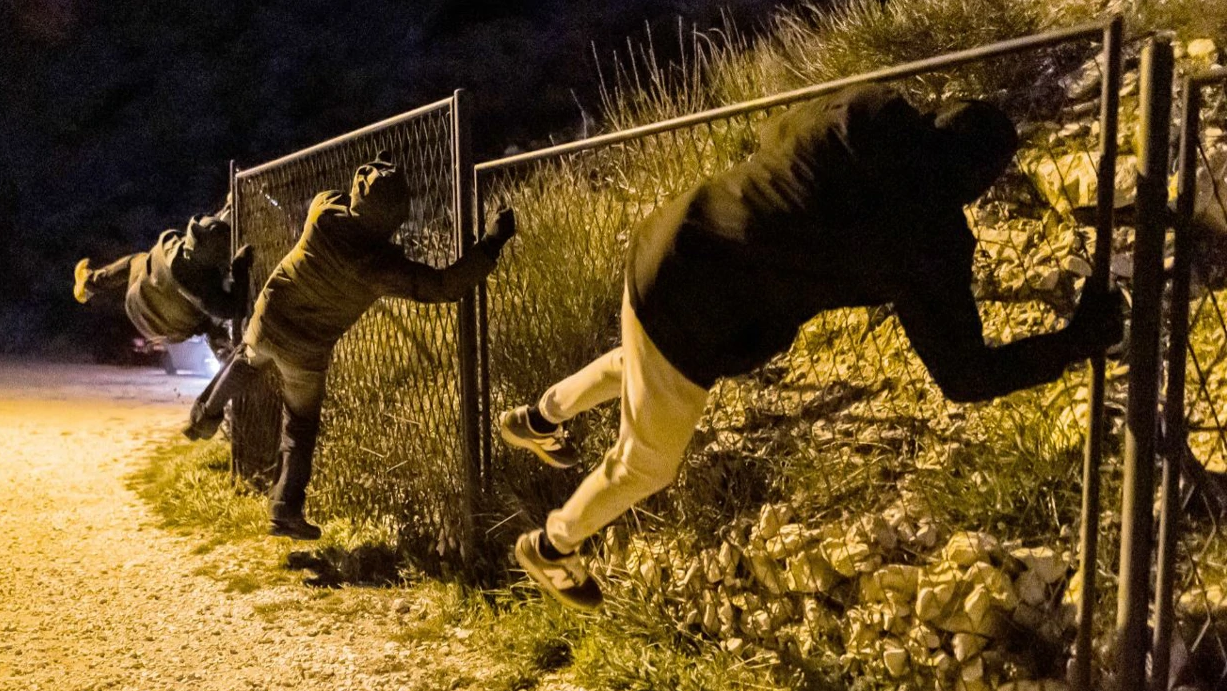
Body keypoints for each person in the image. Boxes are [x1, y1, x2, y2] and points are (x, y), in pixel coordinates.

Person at [499, 83, 1124, 611]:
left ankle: (539, 417)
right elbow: (965, 377)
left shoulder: (867, 111)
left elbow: (778, 132)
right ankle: (555, 546)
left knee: (642, 365)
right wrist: (1074, 340)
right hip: (699, 310)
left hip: (670, 235)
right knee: (648, 463)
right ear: (979, 180)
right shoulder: (930, 239)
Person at [184, 157, 516, 541]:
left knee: (247, 357)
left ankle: (203, 416)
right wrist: (492, 242)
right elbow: (445, 286)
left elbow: (341, 197)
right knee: (299, 426)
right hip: (305, 351)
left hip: (270, 317)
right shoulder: (381, 266)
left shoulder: (323, 212)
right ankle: (284, 509)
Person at [72, 205, 249, 361]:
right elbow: (233, 309)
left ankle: (89, 284)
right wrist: (240, 269)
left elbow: (208, 229)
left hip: (140, 295)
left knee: (137, 261)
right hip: (160, 325)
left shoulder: (171, 245)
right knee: (209, 321)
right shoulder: (201, 290)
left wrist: (228, 207)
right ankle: (226, 355)